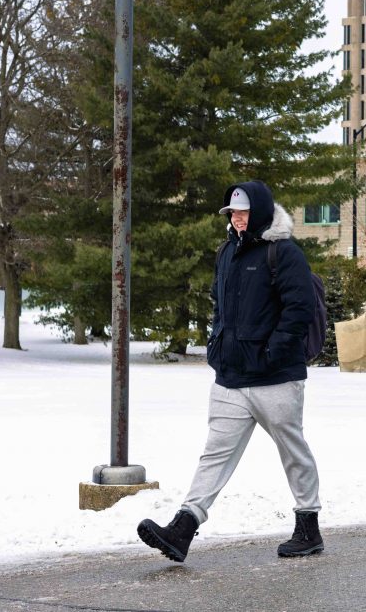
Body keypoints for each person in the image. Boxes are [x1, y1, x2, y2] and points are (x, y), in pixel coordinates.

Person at [138, 180, 324, 562]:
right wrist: (217, 348)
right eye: (232, 214)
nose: (237, 219)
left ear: (258, 212)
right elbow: (219, 306)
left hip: (276, 379)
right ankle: (183, 528)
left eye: (242, 213)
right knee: (214, 455)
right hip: (231, 378)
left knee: (293, 451)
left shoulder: (284, 253)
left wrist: (273, 353)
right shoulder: (227, 252)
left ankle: (309, 526)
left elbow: (299, 310)